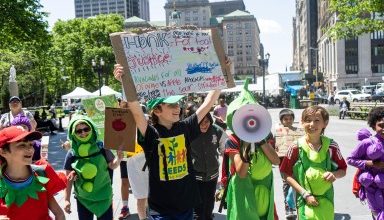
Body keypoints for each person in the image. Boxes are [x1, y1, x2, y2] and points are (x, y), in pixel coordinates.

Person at [113, 63, 222, 220]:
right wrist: (124, 81)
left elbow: (209, 102)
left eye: (177, 103)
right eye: (171, 104)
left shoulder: (185, 127)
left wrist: (221, 72)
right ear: (157, 111)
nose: (177, 107)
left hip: (186, 205)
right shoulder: (150, 133)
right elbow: (135, 110)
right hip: (161, 210)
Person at [223, 81, 280, 220]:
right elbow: (241, 172)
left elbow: (276, 161)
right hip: (243, 194)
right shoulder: (232, 140)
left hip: (264, 191)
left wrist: (260, 139)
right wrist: (247, 141)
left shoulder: (266, 136)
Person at [280, 105, 347, 219]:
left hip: (327, 200)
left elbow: (343, 170)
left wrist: (334, 174)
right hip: (304, 199)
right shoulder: (296, 147)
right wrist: (304, 194)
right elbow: (285, 173)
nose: (312, 124)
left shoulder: (331, 146)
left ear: (325, 123)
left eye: (317, 120)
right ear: (302, 122)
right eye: (308, 120)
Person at [63, 114, 123, 219]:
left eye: (86, 129)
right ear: (73, 133)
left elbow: (112, 165)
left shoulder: (101, 147)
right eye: (79, 131)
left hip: (104, 197)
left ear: (91, 129)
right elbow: (67, 180)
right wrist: (66, 200)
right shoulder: (72, 153)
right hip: (83, 199)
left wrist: (118, 159)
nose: (83, 133)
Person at [0, 126, 66, 219]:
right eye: (22, 145)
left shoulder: (41, 173)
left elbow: (59, 214)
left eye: (30, 144)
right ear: (3, 152)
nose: (30, 149)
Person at [186, 105, 227, 220]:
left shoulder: (217, 130)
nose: (204, 125)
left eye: (207, 121)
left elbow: (225, 149)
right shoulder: (187, 132)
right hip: (194, 177)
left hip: (212, 176)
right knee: (197, 210)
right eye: (200, 122)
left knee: (209, 205)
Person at [347, 106, 384, 219]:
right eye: (381, 125)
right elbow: (350, 159)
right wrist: (370, 163)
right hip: (373, 188)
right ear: (373, 125)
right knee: (378, 215)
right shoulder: (367, 143)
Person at [274, 109, 304, 219]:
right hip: (283, 161)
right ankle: (289, 208)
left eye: (290, 119)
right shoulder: (277, 132)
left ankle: (299, 206)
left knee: (299, 182)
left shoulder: (299, 131)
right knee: (286, 184)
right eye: (285, 119)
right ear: (281, 120)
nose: (288, 121)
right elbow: (274, 146)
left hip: (297, 161)